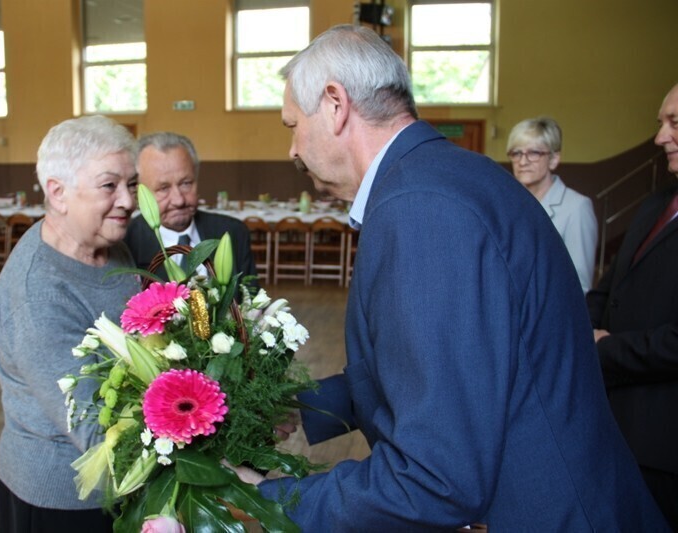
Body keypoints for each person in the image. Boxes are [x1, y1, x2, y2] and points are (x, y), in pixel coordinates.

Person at [240, 25, 669, 530]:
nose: (292, 149)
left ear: (335, 104)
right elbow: (444, 367)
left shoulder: (419, 208)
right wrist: (298, 406)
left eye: (293, 124)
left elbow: (436, 477)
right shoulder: (448, 173)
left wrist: (268, 498)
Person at [0, 115, 141, 532]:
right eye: (110, 185)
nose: (128, 200)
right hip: (64, 498)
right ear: (58, 193)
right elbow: (94, 431)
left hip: (124, 481)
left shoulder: (111, 247)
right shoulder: (39, 293)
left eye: (132, 183)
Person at [586, 83, 678, 529]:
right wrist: (573, 331)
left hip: (665, 445)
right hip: (614, 427)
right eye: (661, 123)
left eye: (674, 123)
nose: (660, 137)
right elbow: (608, 289)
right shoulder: (657, 202)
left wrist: (604, 348)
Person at [123, 132, 256, 281]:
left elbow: (251, 298)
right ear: (140, 192)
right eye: (163, 188)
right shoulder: (125, 245)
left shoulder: (234, 233)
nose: (179, 200)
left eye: (186, 183)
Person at [507, 117, 598, 293]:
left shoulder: (577, 207)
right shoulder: (511, 206)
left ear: (554, 159)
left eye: (533, 153)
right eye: (516, 153)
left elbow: (580, 285)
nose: (523, 161)